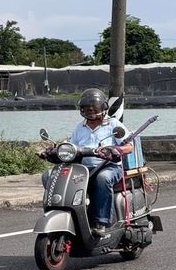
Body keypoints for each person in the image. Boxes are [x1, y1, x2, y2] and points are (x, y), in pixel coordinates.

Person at [42, 88, 133, 237]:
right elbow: (72, 146)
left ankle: (101, 222)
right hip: (83, 168)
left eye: (94, 108)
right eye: (86, 108)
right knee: (49, 176)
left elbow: (129, 146)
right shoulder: (80, 127)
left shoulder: (113, 124)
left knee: (102, 179)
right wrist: (53, 150)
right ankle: (64, 212)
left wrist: (117, 150)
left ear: (103, 107)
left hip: (108, 166)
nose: (90, 111)